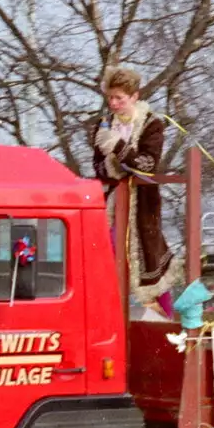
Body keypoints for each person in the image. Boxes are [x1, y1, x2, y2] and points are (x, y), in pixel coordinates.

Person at [87, 66, 175, 314]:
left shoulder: (151, 124)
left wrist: (118, 148)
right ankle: (111, 314)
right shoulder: (103, 126)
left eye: (119, 98)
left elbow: (148, 164)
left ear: (134, 96)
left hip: (143, 203)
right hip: (114, 200)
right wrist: (110, 161)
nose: (113, 104)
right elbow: (98, 168)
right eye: (110, 98)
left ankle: (168, 320)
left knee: (151, 259)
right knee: (109, 250)